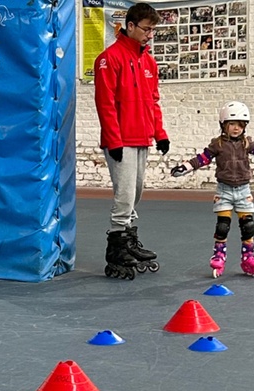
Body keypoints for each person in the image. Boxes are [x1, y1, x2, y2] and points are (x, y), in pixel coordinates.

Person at [93, 2, 169, 280]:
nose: (150, 35)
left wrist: (159, 133)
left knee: (136, 191)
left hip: (141, 137)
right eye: (147, 30)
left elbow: (153, 101)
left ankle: (129, 238)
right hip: (120, 139)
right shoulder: (108, 59)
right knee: (124, 194)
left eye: (153, 31)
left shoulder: (148, 61)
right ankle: (116, 245)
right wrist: (113, 140)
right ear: (131, 26)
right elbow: (105, 104)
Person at [170, 101, 254, 278]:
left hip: (243, 190)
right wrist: (185, 167)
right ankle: (219, 255)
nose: (236, 128)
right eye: (232, 124)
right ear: (224, 125)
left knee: (247, 226)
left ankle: (248, 255)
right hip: (224, 190)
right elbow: (203, 158)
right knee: (223, 226)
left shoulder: (247, 143)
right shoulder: (218, 144)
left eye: (240, 125)